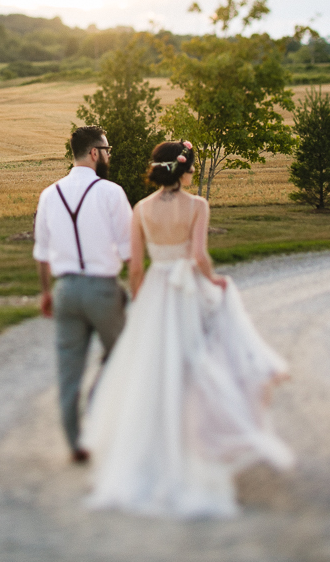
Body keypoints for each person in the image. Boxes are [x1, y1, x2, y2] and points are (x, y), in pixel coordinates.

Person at [80, 140, 293, 518]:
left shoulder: (140, 209)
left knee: (152, 371)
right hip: (186, 292)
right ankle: (196, 447)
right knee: (195, 366)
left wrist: (142, 301)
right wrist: (214, 282)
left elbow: (135, 269)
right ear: (186, 169)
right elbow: (198, 257)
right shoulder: (198, 206)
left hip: (156, 292)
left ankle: (150, 451)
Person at [33, 125, 133, 464]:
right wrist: (138, 287)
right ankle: (98, 404)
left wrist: (47, 293)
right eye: (107, 149)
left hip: (65, 290)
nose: (108, 155)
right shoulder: (111, 193)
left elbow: (42, 253)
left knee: (68, 369)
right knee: (122, 356)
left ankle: (76, 444)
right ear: (94, 153)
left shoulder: (49, 195)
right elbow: (129, 250)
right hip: (102, 290)